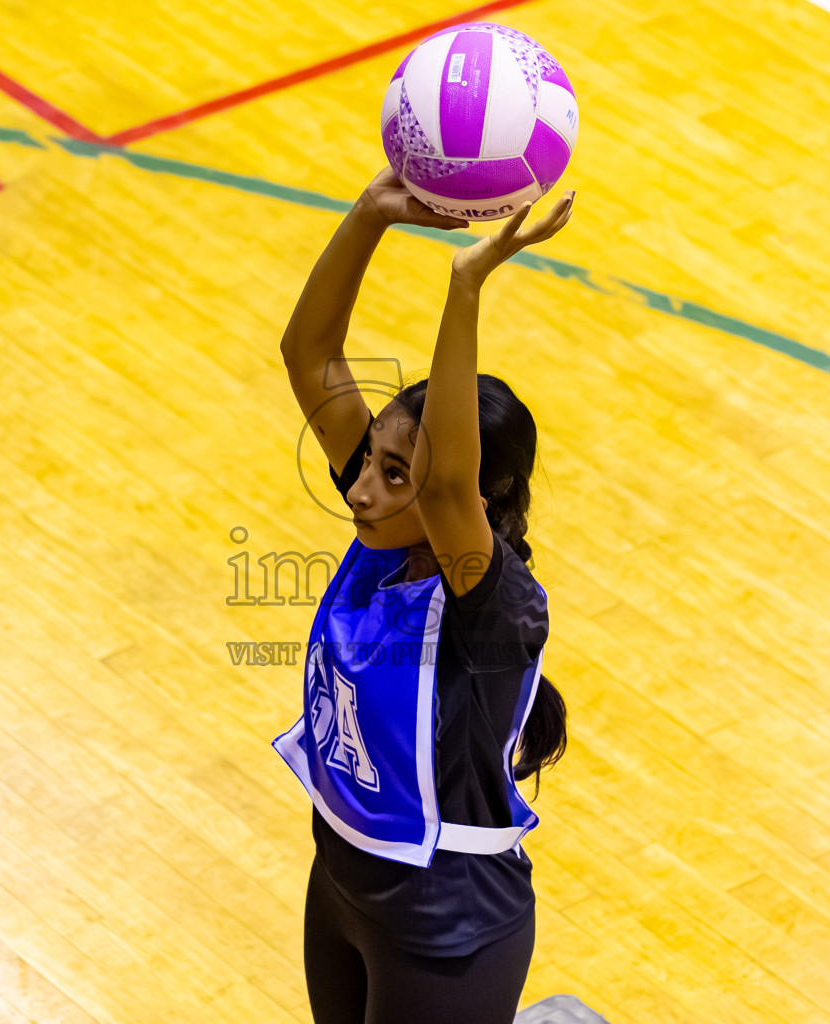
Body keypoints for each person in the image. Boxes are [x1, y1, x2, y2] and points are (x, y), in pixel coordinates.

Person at [274, 168, 573, 1024]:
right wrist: (371, 212)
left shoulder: (491, 603)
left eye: (393, 473)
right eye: (369, 458)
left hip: (448, 925)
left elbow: (447, 489)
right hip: (340, 883)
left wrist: (465, 286)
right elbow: (309, 356)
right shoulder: (386, 530)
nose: (361, 488)